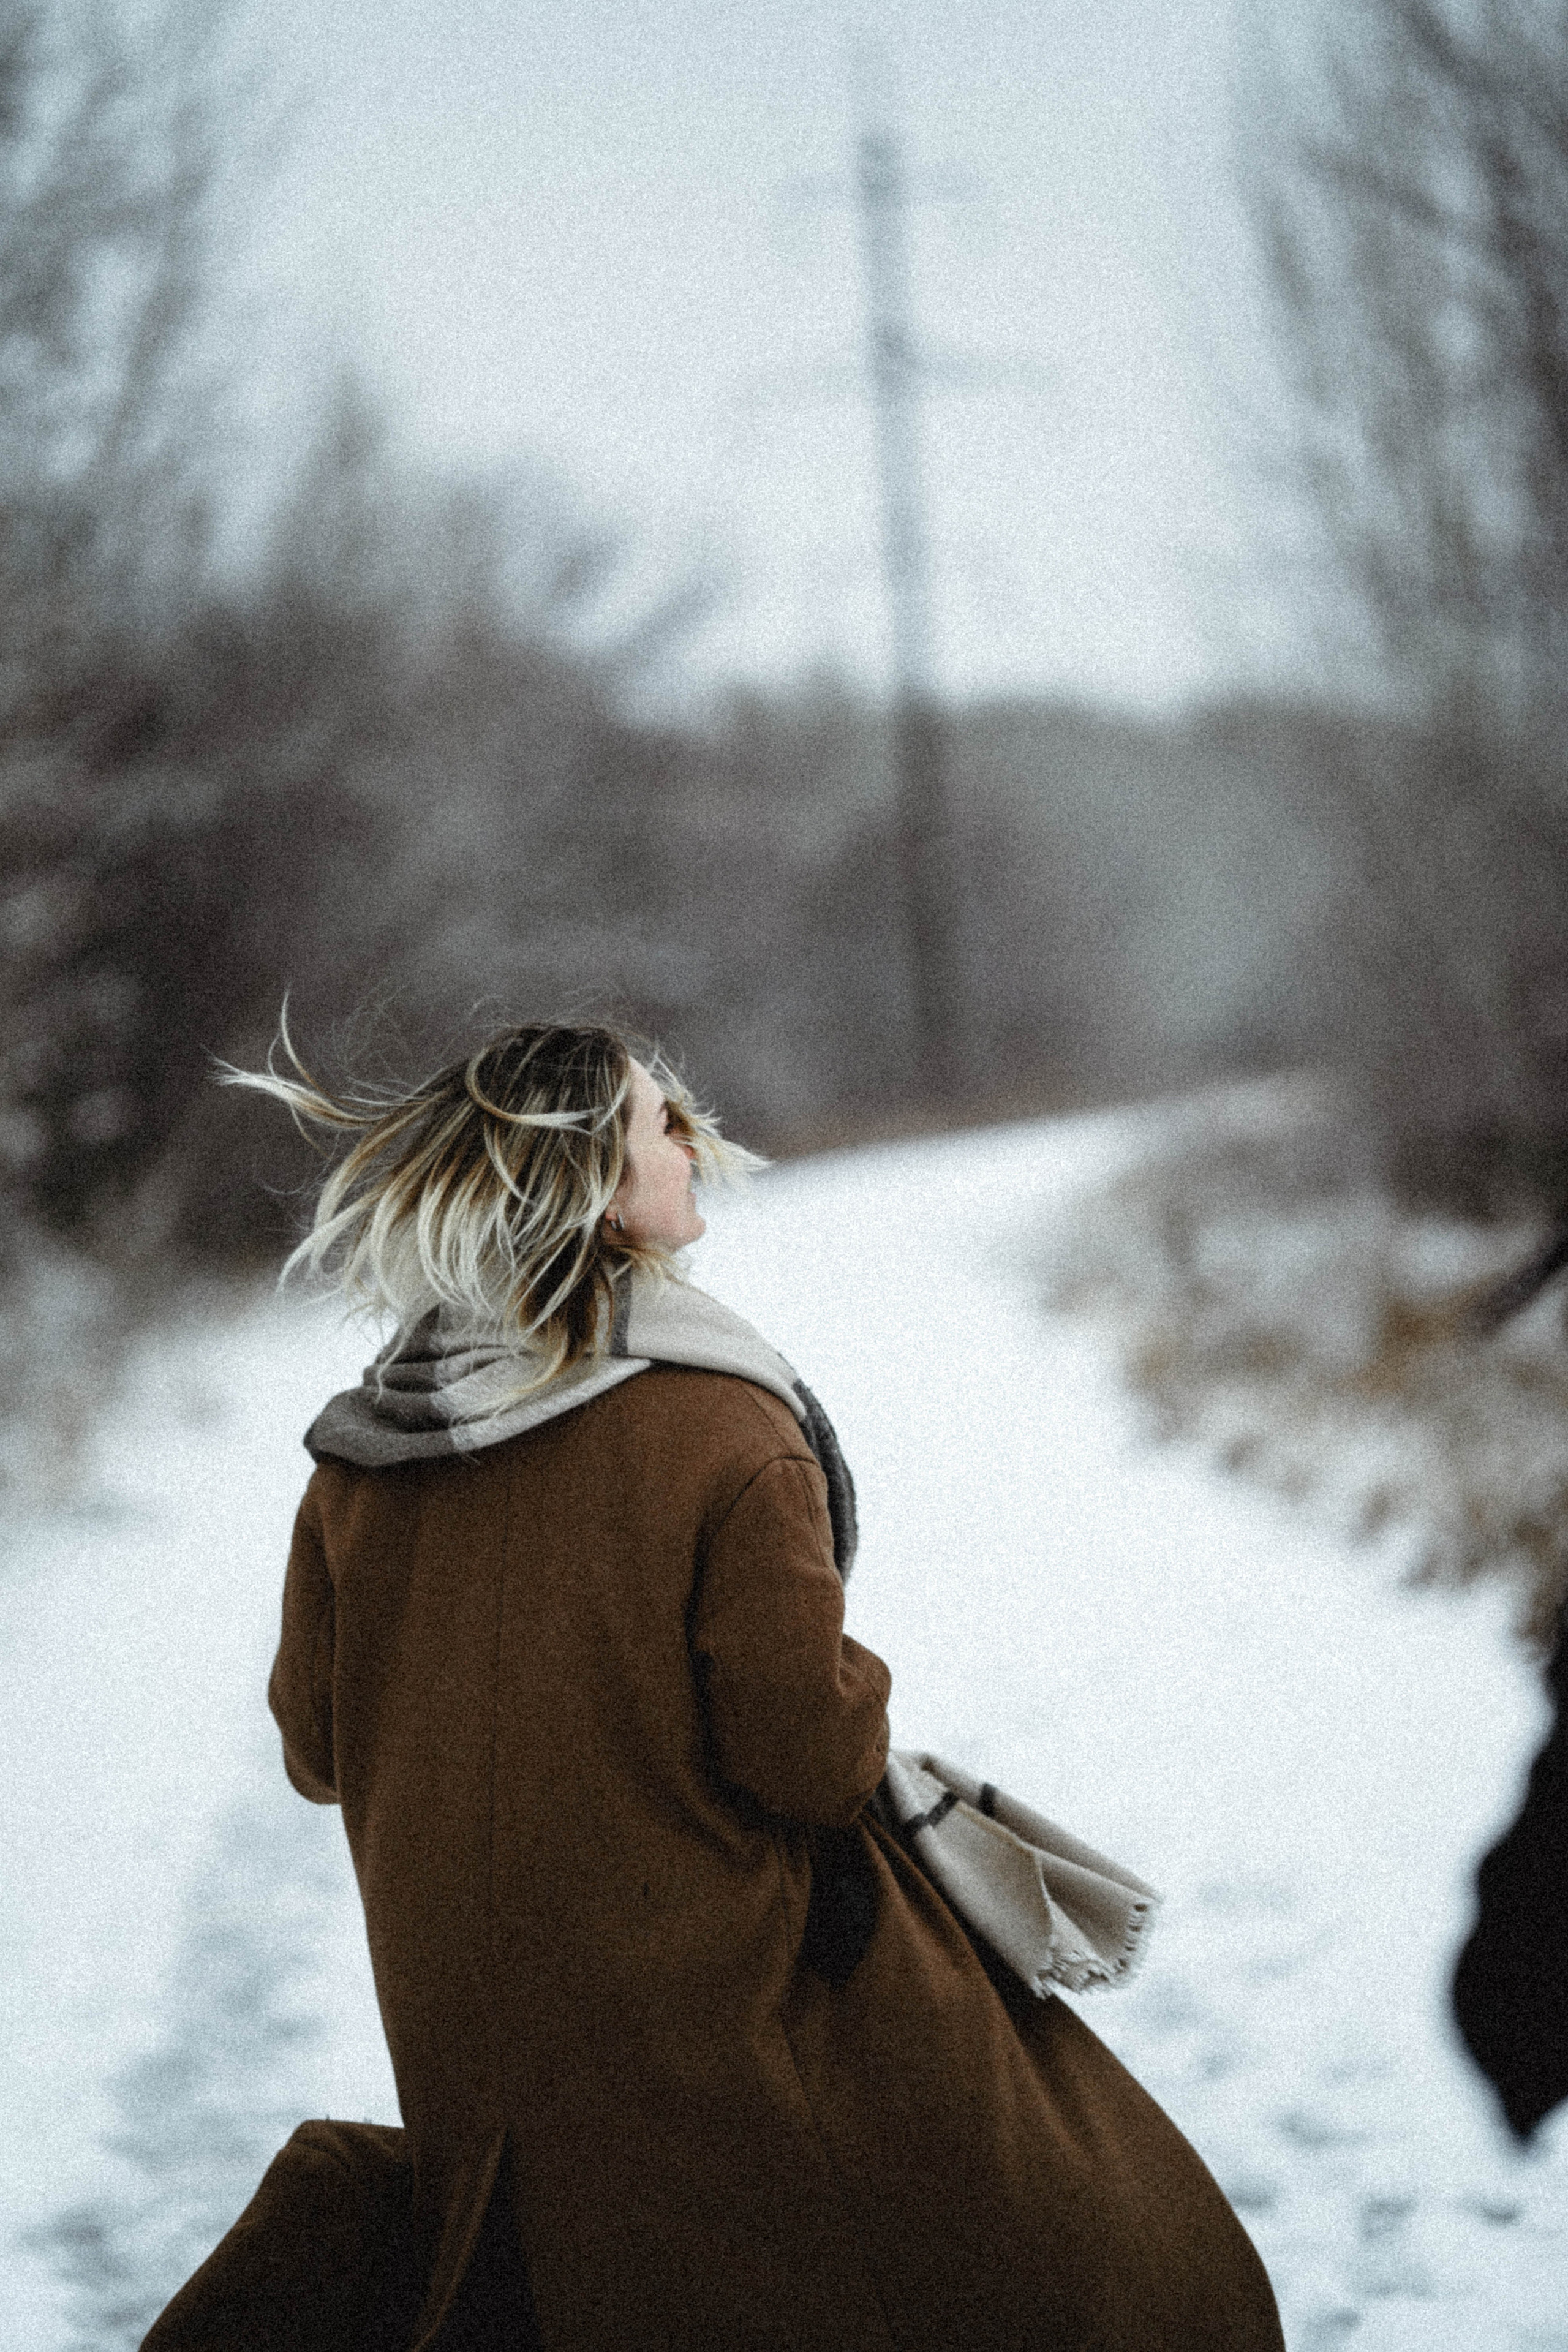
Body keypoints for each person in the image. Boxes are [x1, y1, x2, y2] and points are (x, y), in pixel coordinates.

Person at [145, 1018, 1283, 2352]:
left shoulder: (357, 1464)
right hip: (719, 2025)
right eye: (653, 1125)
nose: (687, 1141)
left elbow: (318, 1747)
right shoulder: (724, 1427)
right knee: (1099, 2242)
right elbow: (803, 1754)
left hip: (482, 2051)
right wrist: (856, 1687)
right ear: (582, 1179)